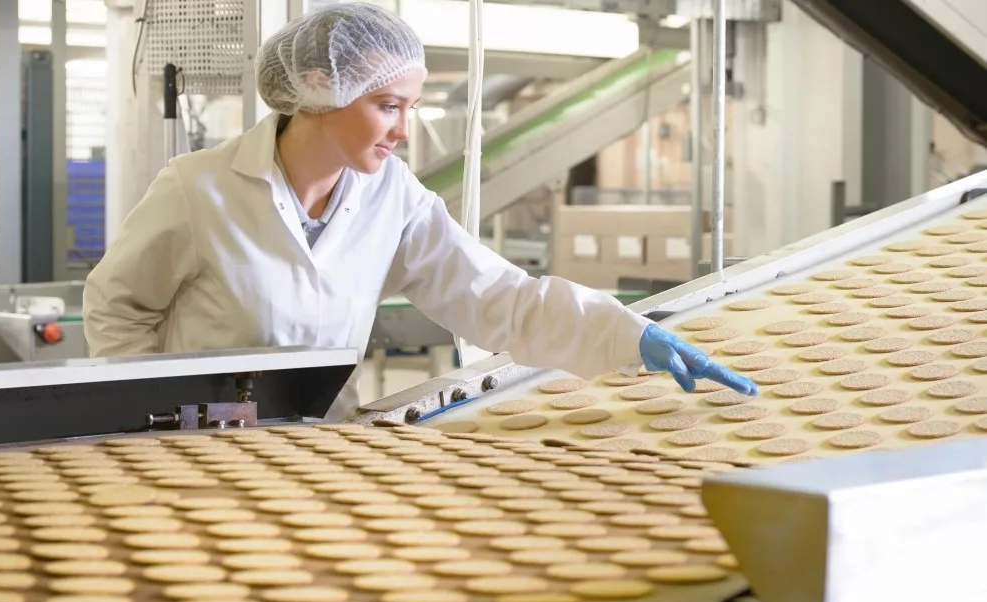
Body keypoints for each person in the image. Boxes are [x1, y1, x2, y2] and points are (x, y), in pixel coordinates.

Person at [83, 2, 757, 420]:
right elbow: (117, 307)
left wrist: (624, 334)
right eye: (388, 106)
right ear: (320, 91)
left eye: (410, 107)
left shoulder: (391, 195)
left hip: (318, 450)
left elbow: (498, 299)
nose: (403, 129)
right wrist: (149, 418)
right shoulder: (200, 189)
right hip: (191, 455)